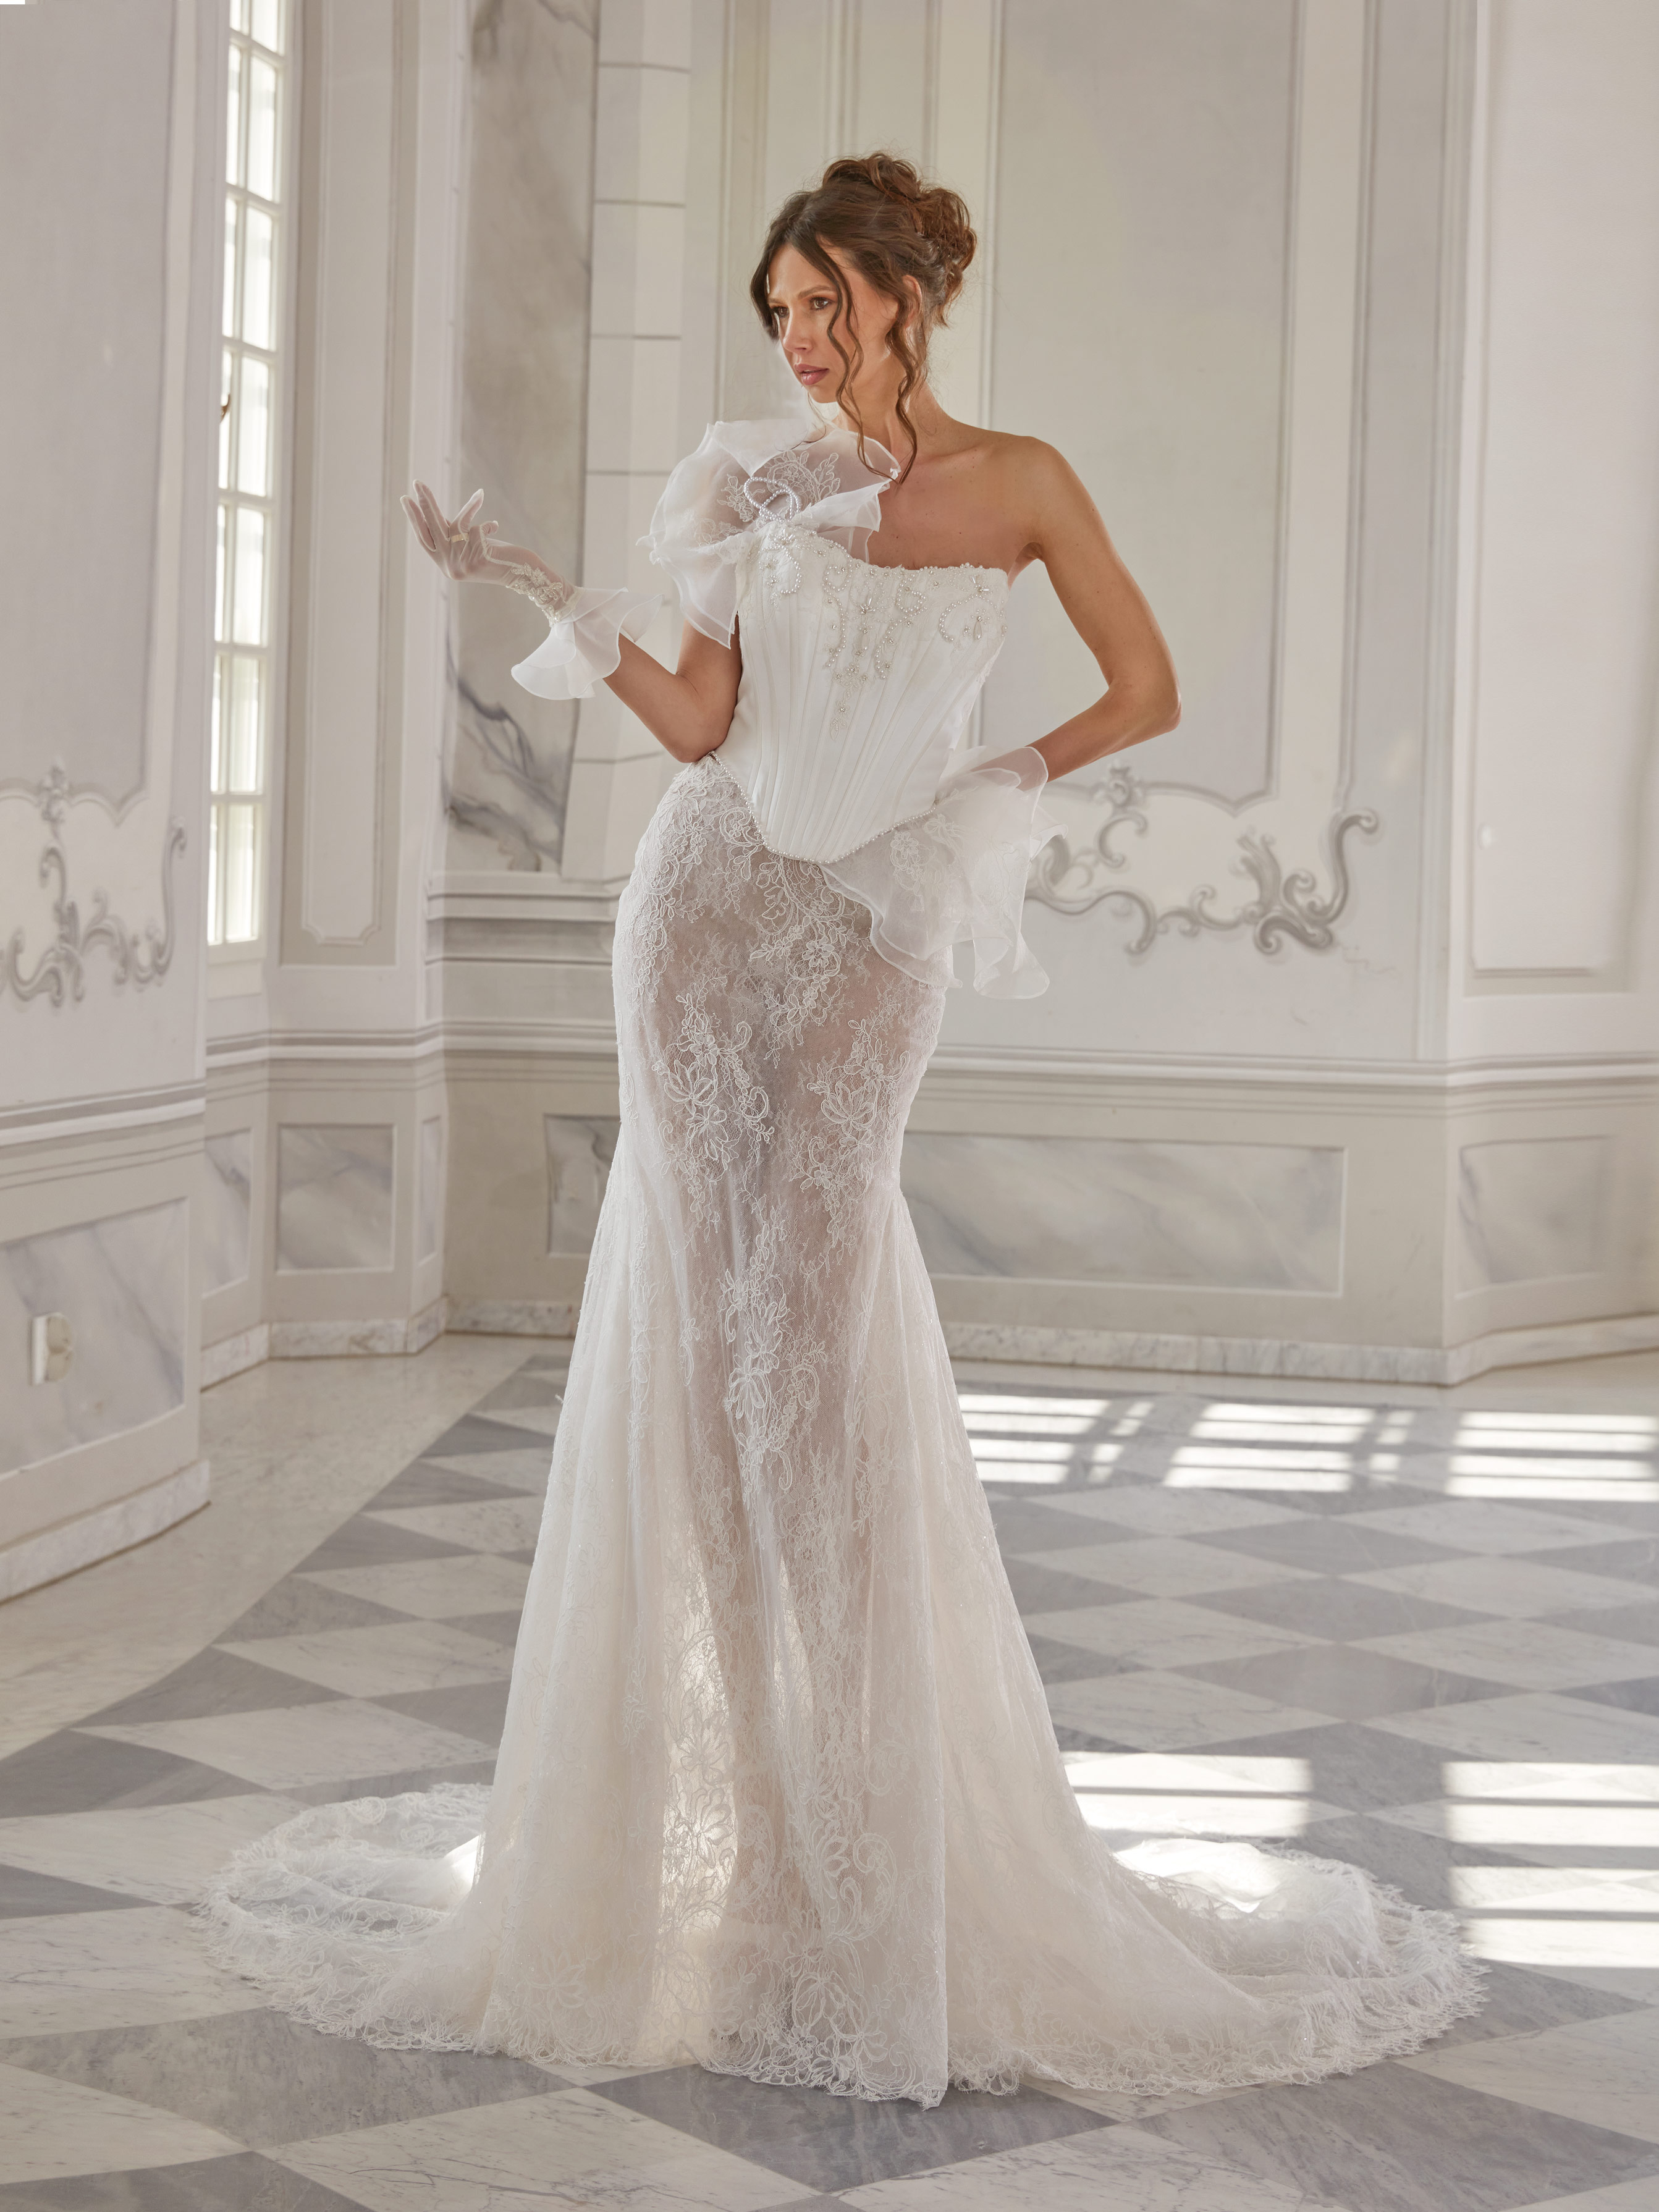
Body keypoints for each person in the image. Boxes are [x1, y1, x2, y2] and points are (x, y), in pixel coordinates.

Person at [206, 153, 1480, 2106]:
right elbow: (705, 724)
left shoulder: (1023, 480)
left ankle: (861, 1831)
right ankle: (737, 1832)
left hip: (882, 920)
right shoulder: (747, 480)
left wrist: (995, 777)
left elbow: (1145, 685)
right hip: (707, 907)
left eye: (822, 305)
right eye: (779, 312)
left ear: (905, 298)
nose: (796, 340)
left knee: (819, 1340)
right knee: (706, 1345)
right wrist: (549, 592)